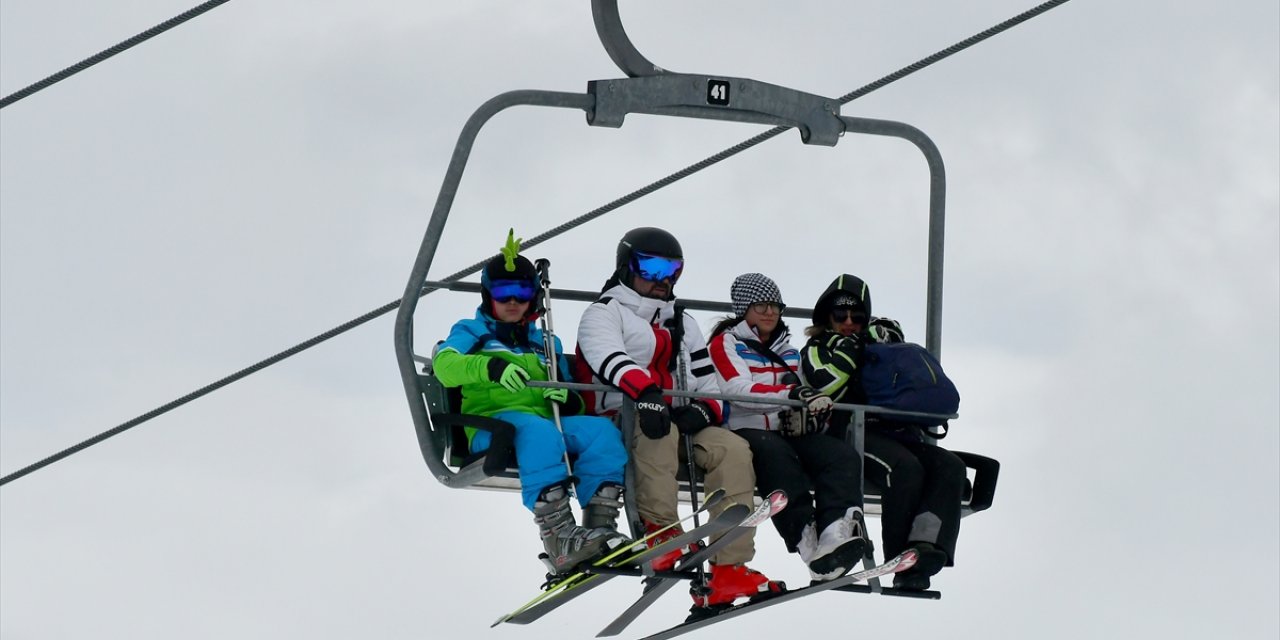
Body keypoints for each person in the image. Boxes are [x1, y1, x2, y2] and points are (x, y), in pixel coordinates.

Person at [574, 227, 783, 610]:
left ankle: (729, 566)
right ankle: (660, 533)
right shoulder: (603, 313)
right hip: (621, 417)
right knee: (658, 429)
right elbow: (609, 360)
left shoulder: (683, 322)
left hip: (675, 418)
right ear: (626, 267)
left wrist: (704, 408)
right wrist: (647, 395)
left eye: (672, 270)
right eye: (651, 267)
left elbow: (708, 381)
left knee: (733, 448)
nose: (662, 280)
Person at [434, 231, 630, 574]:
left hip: (544, 425)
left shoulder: (546, 342)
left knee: (601, 432)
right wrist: (488, 366)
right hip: (493, 427)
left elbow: (571, 395)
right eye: (502, 292)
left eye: (522, 292)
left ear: (534, 296)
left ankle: (600, 528)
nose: (513, 301)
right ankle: (559, 538)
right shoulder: (471, 332)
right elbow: (445, 366)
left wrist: (568, 399)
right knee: (538, 432)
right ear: (487, 294)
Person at [800, 273, 966, 591]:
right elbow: (826, 383)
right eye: (840, 315)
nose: (849, 322)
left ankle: (925, 545)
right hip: (847, 432)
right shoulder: (817, 348)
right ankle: (901, 554)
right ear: (826, 318)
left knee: (950, 466)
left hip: (896, 431)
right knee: (903, 468)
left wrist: (887, 345)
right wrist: (851, 350)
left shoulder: (875, 348)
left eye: (857, 317)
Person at [707, 273, 870, 582]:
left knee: (839, 455)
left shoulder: (789, 351)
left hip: (785, 431)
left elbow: (804, 392)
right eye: (761, 306)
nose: (771, 313)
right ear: (744, 309)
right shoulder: (726, 344)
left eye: (776, 306)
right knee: (776, 456)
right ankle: (806, 540)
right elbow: (736, 389)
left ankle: (835, 533)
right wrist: (791, 396)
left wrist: (810, 416)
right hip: (746, 429)